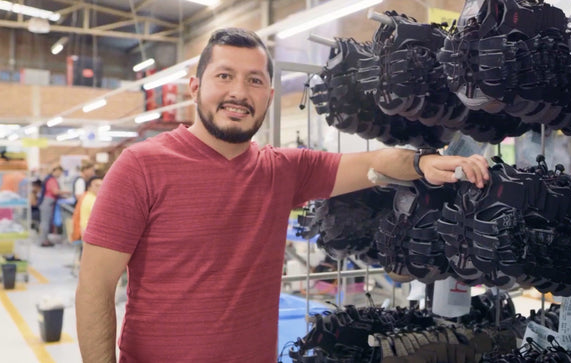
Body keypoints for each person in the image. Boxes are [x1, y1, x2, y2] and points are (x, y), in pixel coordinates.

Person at [75, 27, 489, 363]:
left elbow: (376, 162)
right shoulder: (140, 166)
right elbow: (95, 288)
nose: (239, 91)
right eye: (225, 76)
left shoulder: (282, 170)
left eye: (254, 80)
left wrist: (423, 164)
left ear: (269, 96)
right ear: (194, 87)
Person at [38, 164, 70, 247]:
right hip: (48, 202)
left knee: (46, 222)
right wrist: (67, 192)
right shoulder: (51, 180)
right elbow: (55, 191)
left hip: (49, 202)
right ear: (55, 171)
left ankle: (45, 239)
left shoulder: (52, 179)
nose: (60, 174)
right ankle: (43, 241)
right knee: (45, 222)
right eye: (59, 172)